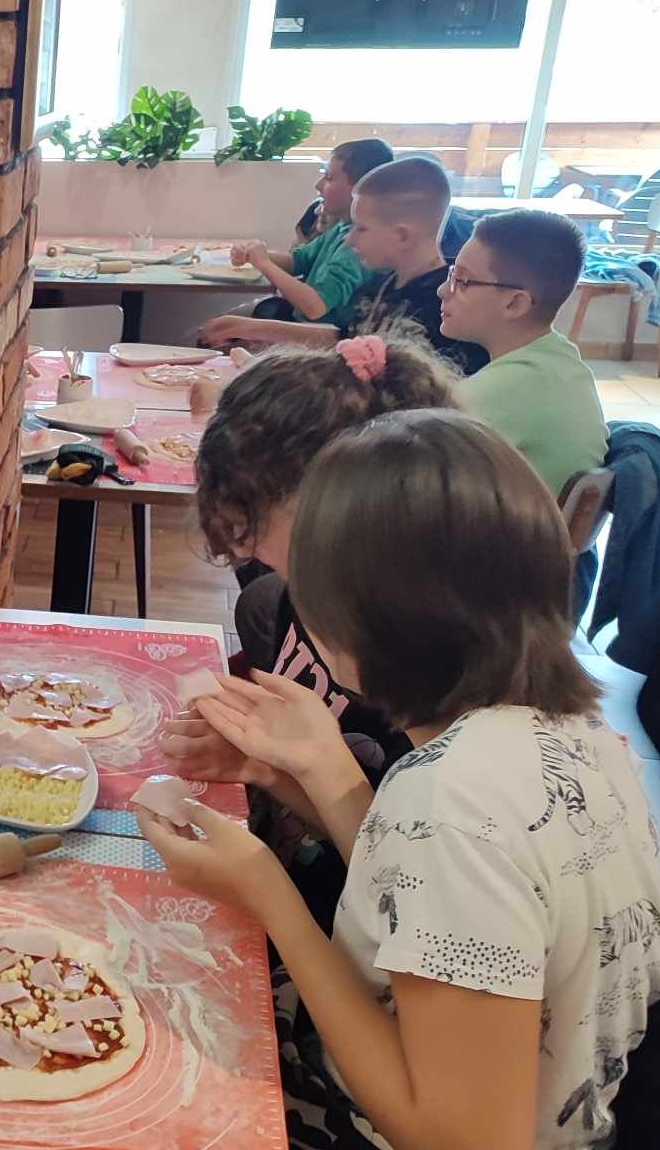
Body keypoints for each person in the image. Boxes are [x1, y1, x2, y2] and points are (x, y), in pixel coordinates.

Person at [0, 411, 660, 1150]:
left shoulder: (456, 800)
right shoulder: (569, 738)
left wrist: (268, 891)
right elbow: (445, 907)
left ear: (362, 623)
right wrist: (304, 781)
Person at [182, 331, 459, 930]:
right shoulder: (306, 605)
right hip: (310, 881)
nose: (249, 551)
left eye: (258, 528)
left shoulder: (447, 715)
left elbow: (409, 897)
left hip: (355, 936)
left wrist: (267, 889)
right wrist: (263, 768)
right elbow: (355, 819)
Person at [199, 158, 488, 375]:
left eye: (361, 229)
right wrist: (248, 327)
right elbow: (344, 338)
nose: (350, 240)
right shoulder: (382, 283)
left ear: (402, 235)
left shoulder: (444, 307)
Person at [441, 207, 608, 500]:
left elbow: (407, 466)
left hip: (498, 529)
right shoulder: (562, 361)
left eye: (463, 281)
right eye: (452, 274)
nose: (444, 290)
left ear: (515, 304)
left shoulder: (505, 390)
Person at [240, 137, 391, 322]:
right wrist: (252, 254)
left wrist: (264, 263)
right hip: (300, 324)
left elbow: (315, 307)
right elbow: (298, 260)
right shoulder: (341, 227)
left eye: (329, 178)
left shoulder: (356, 247)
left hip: (320, 335)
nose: (318, 185)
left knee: (225, 327)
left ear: (359, 188)